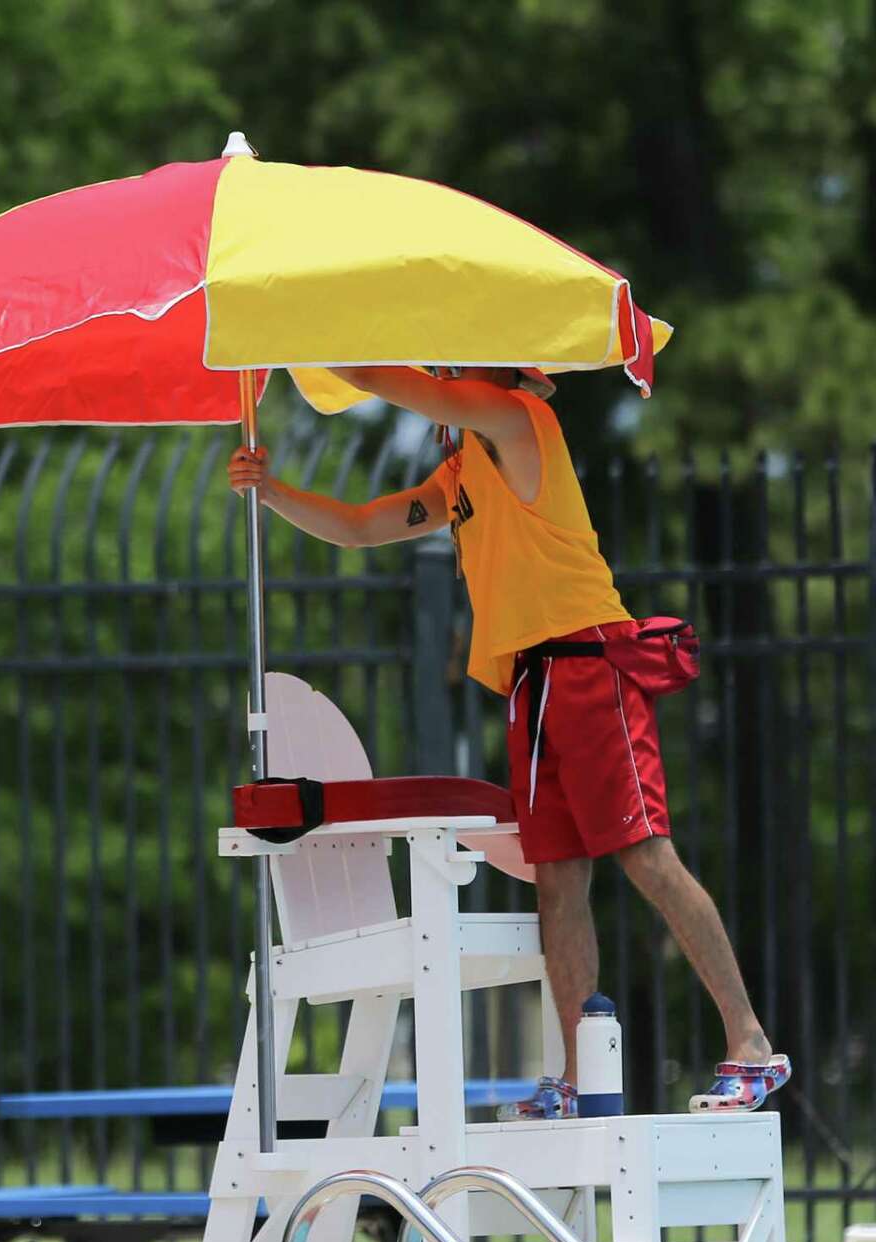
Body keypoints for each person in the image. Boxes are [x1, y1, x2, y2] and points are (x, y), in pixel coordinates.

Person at [227, 364, 789, 1116]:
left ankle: (751, 1043)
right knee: (556, 879)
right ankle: (577, 1078)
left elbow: (430, 398)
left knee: (646, 856)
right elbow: (362, 527)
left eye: (456, 362)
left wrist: (329, 348)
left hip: (590, 662)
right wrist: (270, 490)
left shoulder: (522, 418)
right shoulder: (461, 472)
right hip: (533, 678)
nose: (446, 371)